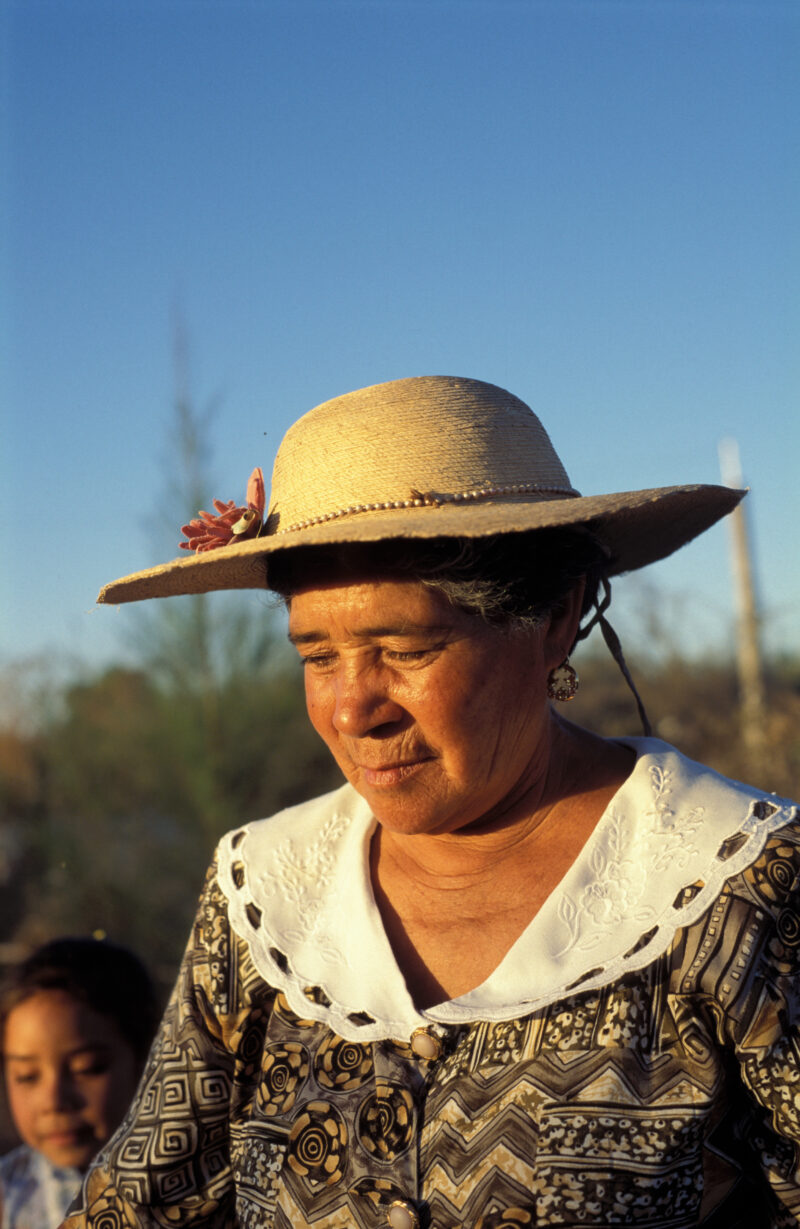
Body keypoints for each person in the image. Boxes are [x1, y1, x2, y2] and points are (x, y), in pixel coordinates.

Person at [63, 376, 799, 1228]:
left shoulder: (731, 883)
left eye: (405, 648)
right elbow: (139, 1210)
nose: (352, 710)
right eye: (319, 656)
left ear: (554, 621)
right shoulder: (264, 895)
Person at [0, 937, 159, 1229]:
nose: (55, 1101)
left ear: (145, 1059)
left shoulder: (197, 1190)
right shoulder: (7, 1199)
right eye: (27, 1075)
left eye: (87, 1068)